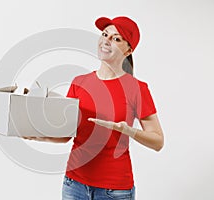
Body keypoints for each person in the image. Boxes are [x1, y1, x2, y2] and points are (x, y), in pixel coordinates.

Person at [24, 16, 164, 200]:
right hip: (74, 185)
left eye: (116, 38)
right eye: (105, 34)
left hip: (115, 191)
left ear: (128, 50)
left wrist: (129, 130)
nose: (106, 40)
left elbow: (158, 141)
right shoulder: (79, 82)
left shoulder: (137, 89)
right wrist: (38, 135)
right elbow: (66, 135)